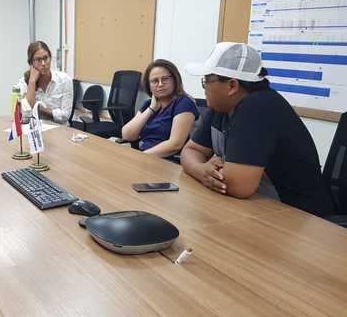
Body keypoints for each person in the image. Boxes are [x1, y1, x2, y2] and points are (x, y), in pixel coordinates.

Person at [181, 42, 334, 217]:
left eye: (207, 80)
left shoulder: (258, 107)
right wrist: (201, 170)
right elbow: (190, 150)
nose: (205, 87)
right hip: (259, 208)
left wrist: (204, 168)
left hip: (300, 218)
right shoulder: (220, 107)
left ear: (232, 86)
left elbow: (236, 185)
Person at [121, 59, 199, 157]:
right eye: (155, 81)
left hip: (168, 161)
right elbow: (127, 135)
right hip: (146, 156)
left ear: (175, 80)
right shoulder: (148, 104)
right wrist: (151, 109)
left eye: (165, 79)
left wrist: (141, 157)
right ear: (149, 85)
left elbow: (175, 145)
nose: (161, 84)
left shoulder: (183, 103)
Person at [16, 41, 73, 124]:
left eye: (45, 58)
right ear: (31, 63)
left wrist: (38, 107)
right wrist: (32, 82)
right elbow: (25, 116)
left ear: (50, 58)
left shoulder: (64, 80)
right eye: (38, 60)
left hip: (60, 130)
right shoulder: (24, 83)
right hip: (35, 131)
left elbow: (65, 116)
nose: (43, 63)